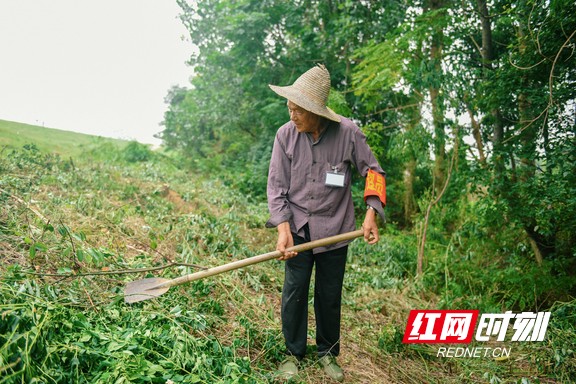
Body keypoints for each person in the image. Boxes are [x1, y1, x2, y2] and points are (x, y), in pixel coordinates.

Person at [266, 64, 386, 382]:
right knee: (294, 292)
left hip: (336, 229)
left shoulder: (348, 133)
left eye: (296, 109)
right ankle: (293, 354)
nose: (291, 114)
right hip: (298, 229)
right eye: (289, 107)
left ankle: (328, 353)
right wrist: (283, 231)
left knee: (329, 296)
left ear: (314, 111)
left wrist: (371, 213)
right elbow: (276, 187)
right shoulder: (285, 136)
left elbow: (373, 172)